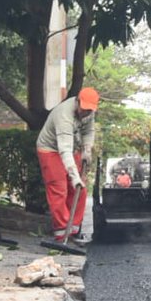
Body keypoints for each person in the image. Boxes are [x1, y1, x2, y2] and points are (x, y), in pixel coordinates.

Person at [36, 87, 99, 244]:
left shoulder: (89, 112)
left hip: (71, 148)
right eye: (84, 109)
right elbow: (64, 149)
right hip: (51, 150)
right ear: (78, 101)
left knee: (80, 190)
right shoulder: (64, 115)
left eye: (89, 110)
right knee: (59, 189)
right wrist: (74, 176)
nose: (86, 113)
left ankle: (74, 230)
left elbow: (89, 131)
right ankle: (62, 232)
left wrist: (87, 149)